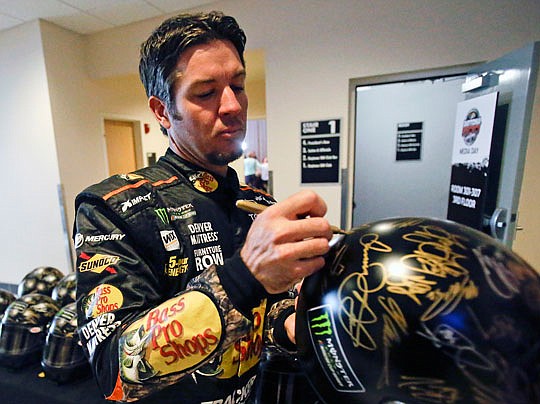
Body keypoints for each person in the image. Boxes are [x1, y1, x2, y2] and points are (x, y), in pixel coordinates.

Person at [73, 11, 332, 403]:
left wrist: (298, 327)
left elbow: (267, 318)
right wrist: (243, 277)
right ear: (162, 111)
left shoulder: (258, 205)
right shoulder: (110, 208)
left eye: (239, 86)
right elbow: (115, 371)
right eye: (206, 93)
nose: (232, 106)